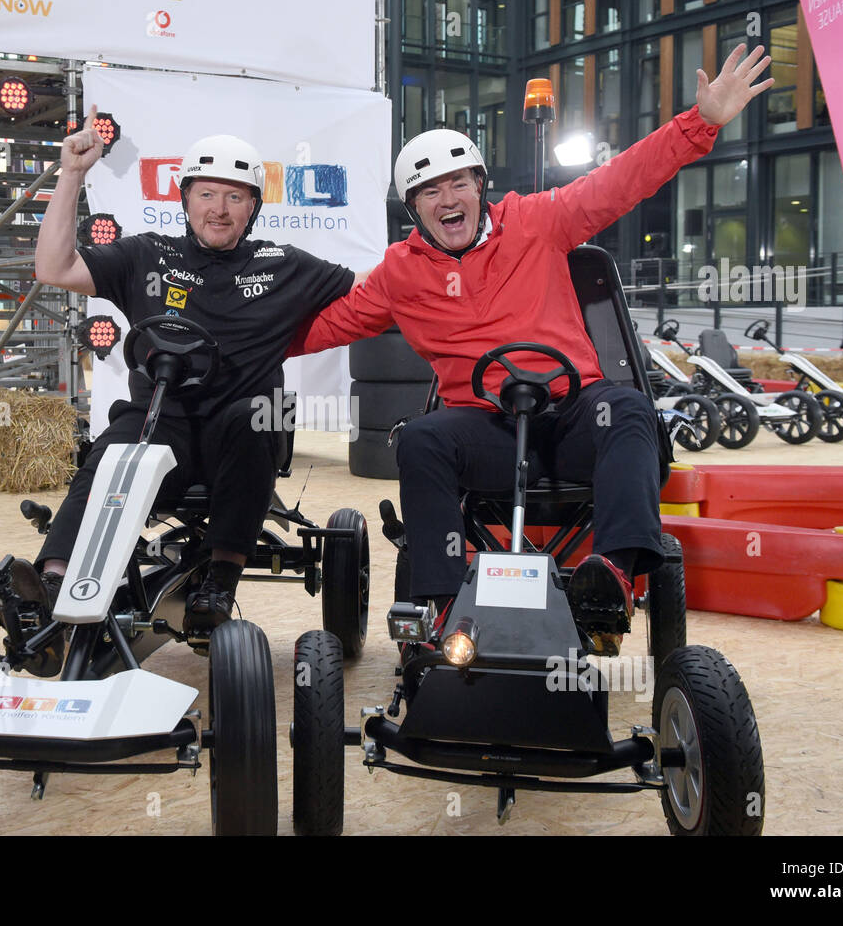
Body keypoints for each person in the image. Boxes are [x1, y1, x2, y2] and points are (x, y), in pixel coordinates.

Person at [290, 45, 774, 656]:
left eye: (458, 183)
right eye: (430, 191)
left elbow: (621, 181)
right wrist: (234, 341)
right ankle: (441, 609)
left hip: (570, 418)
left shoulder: (539, 221)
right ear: (413, 209)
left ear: (479, 187)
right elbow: (324, 327)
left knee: (628, 411)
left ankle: (612, 577)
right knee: (420, 437)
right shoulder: (398, 274)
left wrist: (699, 122)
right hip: (485, 428)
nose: (447, 200)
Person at [15, 112, 358, 674]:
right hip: (157, 423)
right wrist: (70, 176)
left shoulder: (284, 265)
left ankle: (219, 581)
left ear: (253, 207)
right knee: (110, 451)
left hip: (238, 436)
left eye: (234, 197)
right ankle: (48, 590)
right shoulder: (145, 254)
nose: (219, 208)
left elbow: (375, 292)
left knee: (258, 416)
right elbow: (53, 267)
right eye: (207, 194)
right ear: (186, 197)